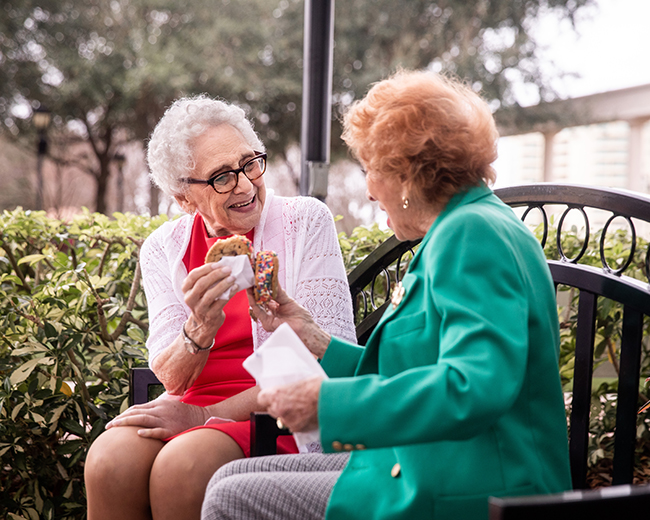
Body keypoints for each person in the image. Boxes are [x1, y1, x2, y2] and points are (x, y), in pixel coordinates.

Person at [201, 70, 572, 520]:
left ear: (410, 173)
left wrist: (327, 404)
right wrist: (312, 338)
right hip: (430, 462)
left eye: (371, 170)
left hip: (474, 487)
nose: (370, 191)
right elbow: (410, 370)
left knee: (230, 498)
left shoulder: (473, 234)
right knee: (227, 480)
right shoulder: (457, 229)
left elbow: (474, 386)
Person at [83, 95, 357, 520]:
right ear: (183, 198)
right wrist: (200, 327)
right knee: (109, 461)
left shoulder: (305, 221)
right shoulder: (164, 249)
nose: (246, 186)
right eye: (222, 178)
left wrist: (204, 415)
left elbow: (327, 360)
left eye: (249, 164)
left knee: (183, 467)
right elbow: (169, 375)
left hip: (278, 413)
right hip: (189, 406)